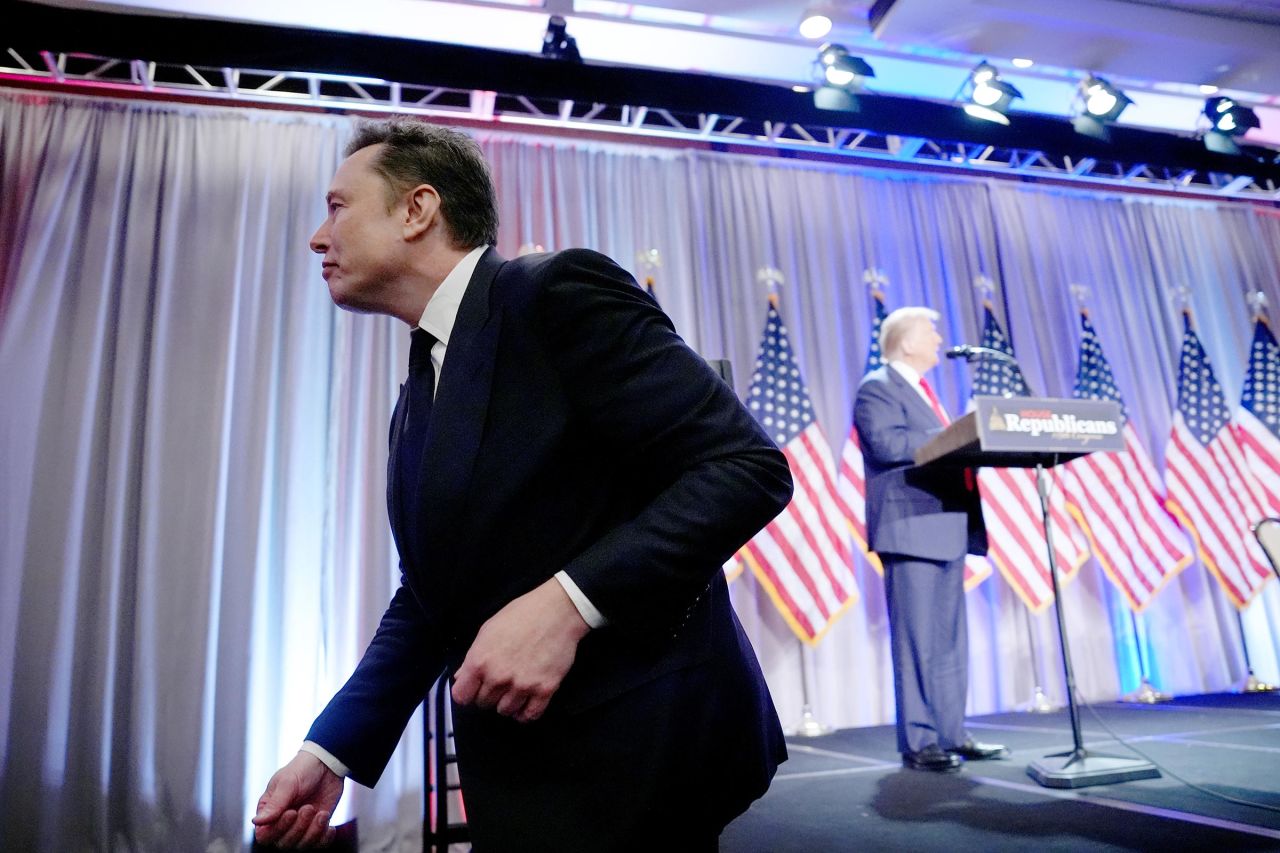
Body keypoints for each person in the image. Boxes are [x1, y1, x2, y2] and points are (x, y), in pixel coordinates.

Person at [251, 118, 792, 850]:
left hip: (641, 756)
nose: (319, 236)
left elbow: (745, 468)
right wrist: (331, 751)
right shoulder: (421, 383)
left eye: (338, 206)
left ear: (418, 210)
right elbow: (430, 594)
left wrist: (569, 603)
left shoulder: (557, 293)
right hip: (521, 772)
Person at [853, 307, 1008, 772]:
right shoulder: (876, 387)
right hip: (910, 529)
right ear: (904, 342)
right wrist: (955, 436)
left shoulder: (926, 393)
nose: (940, 339)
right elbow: (886, 444)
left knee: (949, 642)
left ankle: (952, 733)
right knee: (918, 642)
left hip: (946, 526)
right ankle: (920, 741)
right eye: (930, 331)